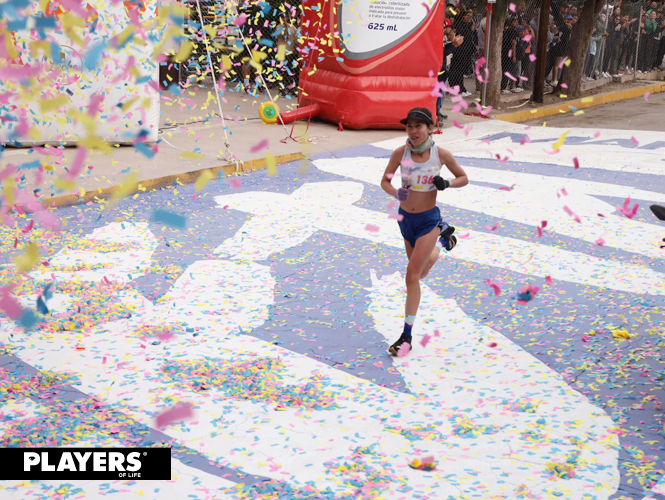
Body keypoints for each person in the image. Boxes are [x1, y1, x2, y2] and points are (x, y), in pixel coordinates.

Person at [380, 107, 468, 356]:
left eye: (419, 126)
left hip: (429, 220)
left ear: (431, 128)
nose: (413, 130)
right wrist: (396, 192)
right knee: (422, 274)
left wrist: (447, 183)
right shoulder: (400, 153)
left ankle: (406, 337)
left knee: (411, 275)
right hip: (406, 220)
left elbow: (464, 177)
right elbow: (385, 181)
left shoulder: (440, 154)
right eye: (409, 126)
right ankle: (444, 240)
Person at [436, 19, 464, 123]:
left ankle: (438, 111)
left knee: (442, 92)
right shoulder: (439, 37)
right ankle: (436, 112)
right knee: (439, 92)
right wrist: (454, 45)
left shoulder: (443, 38)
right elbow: (441, 53)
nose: (451, 30)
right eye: (449, 28)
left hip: (444, 67)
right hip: (440, 69)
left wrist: (453, 43)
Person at [448, 10, 478, 96]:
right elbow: (462, 38)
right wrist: (471, 30)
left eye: (471, 17)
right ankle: (458, 88)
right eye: (468, 16)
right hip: (460, 51)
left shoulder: (470, 27)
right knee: (457, 71)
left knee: (461, 71)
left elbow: (472, 39)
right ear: (464, 17)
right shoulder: (461, 26)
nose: (469, 18)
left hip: (467, 52)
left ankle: (461, 88)